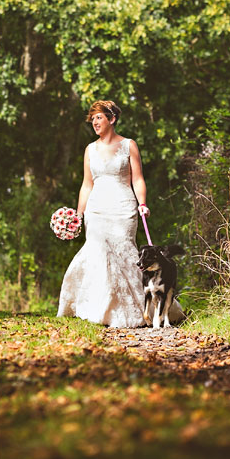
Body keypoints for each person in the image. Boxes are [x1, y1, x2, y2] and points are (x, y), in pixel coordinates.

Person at [57, 100, 185, 328]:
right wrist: (79, 213)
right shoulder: (89, 150)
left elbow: (137, 179)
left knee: (126, 253)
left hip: (123, 207)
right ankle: (100, 310)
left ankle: (144, 309)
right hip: (96, 209)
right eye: (92, 118)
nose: (94, 122)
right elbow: (86, 185)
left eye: (99, 117)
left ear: (112, 119)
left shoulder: (129, 145)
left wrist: (142, 203)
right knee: (98, 254)